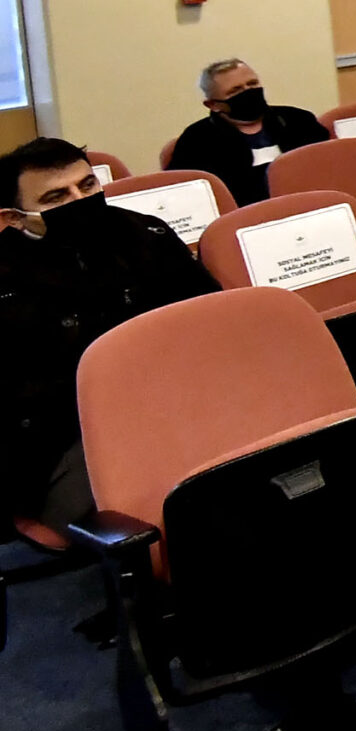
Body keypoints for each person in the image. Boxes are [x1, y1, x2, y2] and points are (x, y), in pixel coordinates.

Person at [0, 139, 216, 528]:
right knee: (175, 514)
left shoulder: (144, 233)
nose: (79, 201)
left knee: (250, 475)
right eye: (55, 197)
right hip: (64, 437)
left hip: (177, 400)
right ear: (13, 218)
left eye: (87, 187)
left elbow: (209, 318)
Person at [170, 58, 329, 206]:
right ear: (213, 105)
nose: (248, 92)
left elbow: (327, 167)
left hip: (310, 206)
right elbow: (190, 196)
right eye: (235, 91)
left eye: (252, 84)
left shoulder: (298, 120)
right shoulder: (197, 140)